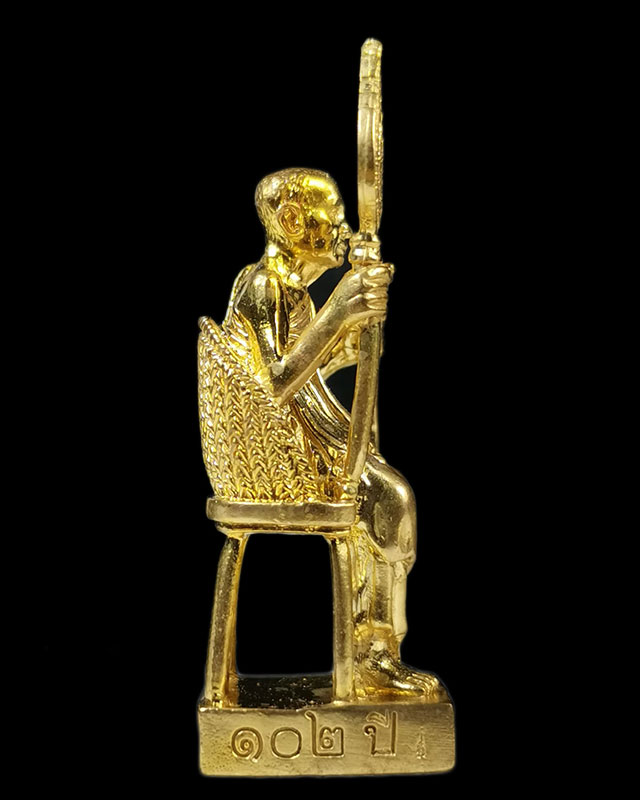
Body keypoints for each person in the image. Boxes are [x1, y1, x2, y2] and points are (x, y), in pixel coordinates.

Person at [220, 167, 438, 696]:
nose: (343, 227)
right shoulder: (260, 285)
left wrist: (353, 337)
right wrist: (338, 311)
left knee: (389, 508)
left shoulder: (293, 292)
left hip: (317, 438)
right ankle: (376, 655)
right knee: (392, 501)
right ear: (293, 221)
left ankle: (374, 647)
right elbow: (274, 384)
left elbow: (310, 367)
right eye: (332, 215)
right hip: (285, 453)